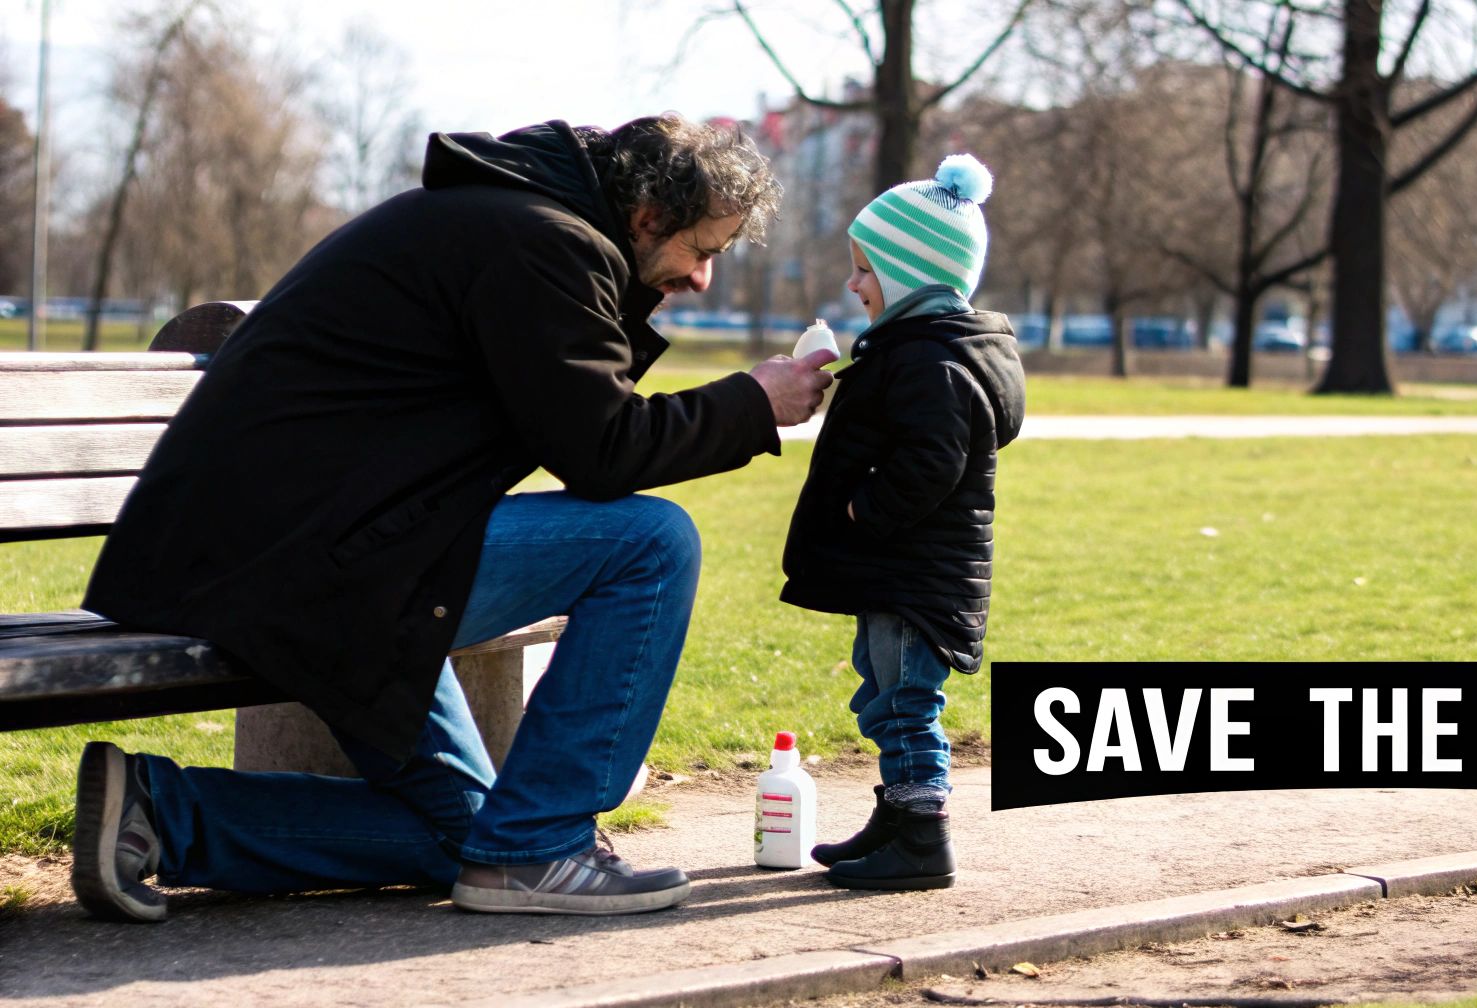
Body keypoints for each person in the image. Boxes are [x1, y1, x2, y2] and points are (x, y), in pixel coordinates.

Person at [71, 115, 835, 922]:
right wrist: (755, 403)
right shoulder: (540, 243)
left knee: (473, 841)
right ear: (647, 217)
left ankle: (158, 811)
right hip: (319, 562)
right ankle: (546, 844)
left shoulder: (506, 220)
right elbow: (606, 450)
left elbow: (570, 421)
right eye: (703, 251)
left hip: (303, 550)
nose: (703, 278)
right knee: (651, 543)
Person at [777, 155, 1024, 890]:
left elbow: (934, 457)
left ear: (911, 271)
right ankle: (896, 816)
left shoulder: (931, 361)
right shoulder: (921, 352)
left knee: (907, 703)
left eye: (864, 269)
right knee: (882, 694)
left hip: (917, 573)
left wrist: (866, 507)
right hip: (903, 571)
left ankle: (922, 837)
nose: (852, 284)